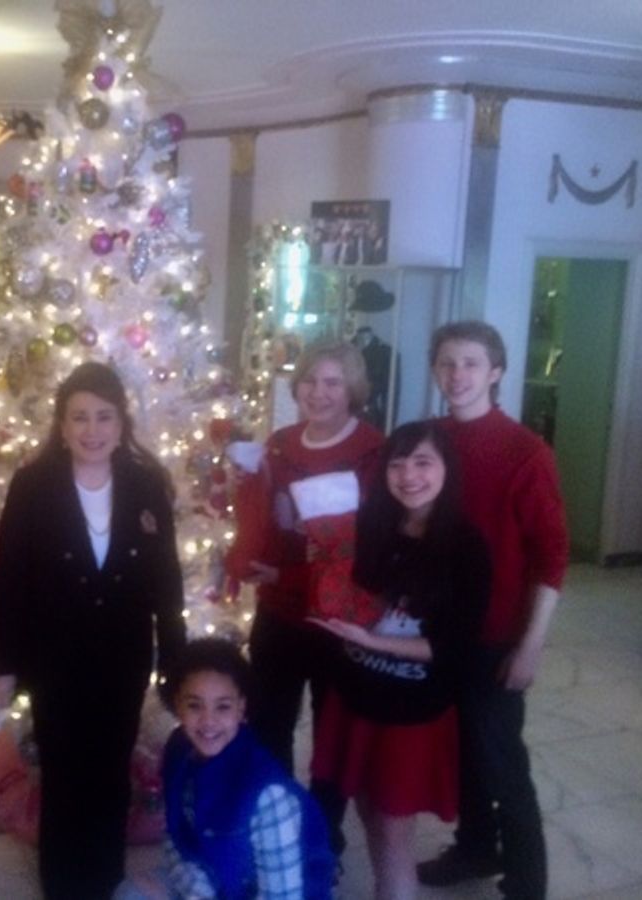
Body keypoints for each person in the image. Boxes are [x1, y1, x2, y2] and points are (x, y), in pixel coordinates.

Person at [0, 361, 186, 900]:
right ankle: (62, 881)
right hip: (53, 655)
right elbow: (10, 579)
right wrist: (2, 663)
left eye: (103, 416)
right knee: (63, 769)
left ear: (121, 424)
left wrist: (176, 658)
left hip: (123, 654)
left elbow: (166, 577)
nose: (91, 430)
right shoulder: (33, 484)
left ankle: (103, 875)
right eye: (79, 417)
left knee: (110, 768)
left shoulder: (146, 484)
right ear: (62, 425)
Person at [416, 321, 568, 899]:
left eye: (471, 363)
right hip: (437, 629)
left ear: (496, 372)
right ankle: (476, 848)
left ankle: (527, 883)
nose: (457, 375)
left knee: (503, 762)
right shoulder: (429, 439)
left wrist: (530, 645)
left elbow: (552, 556)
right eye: (447, 363)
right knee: (461, 750)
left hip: (496, 635)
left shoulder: (526, 451)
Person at [310, 421, 490, 900]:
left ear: (447, 470)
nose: (409, 475)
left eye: (423, 462)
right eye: (398, 463)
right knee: (368, 812)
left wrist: (373, 642)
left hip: (410, 717)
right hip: (354, 702)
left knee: (394, 833)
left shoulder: (466, 546)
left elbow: (453, 648)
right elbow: (341, 589)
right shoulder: (371, 527)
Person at [227, 341, 384, 854]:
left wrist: (284, 572)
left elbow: (366, 548)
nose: (319, 393)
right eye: (310, 381)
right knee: (269, 722)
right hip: (278, 612)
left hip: (338, 619)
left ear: (352, 389)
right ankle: (276, 825)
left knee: (332, 734)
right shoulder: (279, 444)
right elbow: (262, 519)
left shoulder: (373, 451)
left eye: (332, 382)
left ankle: (322, 836)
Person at [116, 637, 335, 900]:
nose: (208, 721)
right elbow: (175, 837)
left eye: (223, 707)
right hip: (209, 881)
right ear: (178, 704)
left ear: (241, 708)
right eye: (194, 705)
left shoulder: (267, 794)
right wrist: (195, 890)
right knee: (131, 893)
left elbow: (282, 894)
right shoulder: (178, 749)